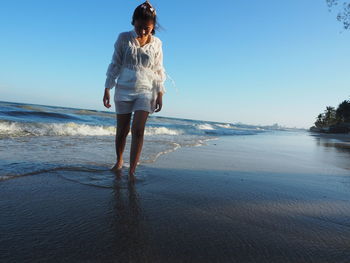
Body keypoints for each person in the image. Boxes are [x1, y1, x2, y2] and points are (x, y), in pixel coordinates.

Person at [102, 1, 166, 180]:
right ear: (133, 22)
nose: (143, 31)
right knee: (122, 130)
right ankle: (119, 160)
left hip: (146, 89)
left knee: (138, 129)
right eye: (139, 27)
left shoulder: (157, 43)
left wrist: (160, 93)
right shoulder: (123, 38)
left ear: (153, 26)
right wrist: (107, 87)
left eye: (147, 28)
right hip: (123, 88)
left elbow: (159, 69)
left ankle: (132, 171)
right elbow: (115, 63)